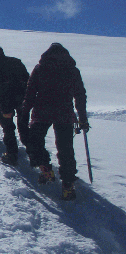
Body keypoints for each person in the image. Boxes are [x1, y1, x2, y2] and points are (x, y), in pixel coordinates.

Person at [20, 43, 88, 201]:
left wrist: (25, 109)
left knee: (35, 141)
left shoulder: (40, 68)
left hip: (42, 111)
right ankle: (68, 184)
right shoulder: (72, 70)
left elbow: (30, 91)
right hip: (64, 113)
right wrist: (83, 118)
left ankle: (45, 169)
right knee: (65, 148)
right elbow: (80, 95)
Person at [0, 46, 30, 165]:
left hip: (4, 101)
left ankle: (11, 154)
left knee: (8, 127)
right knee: (24, 126)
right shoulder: (16, 61)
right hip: (21, 98)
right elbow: (27, 79)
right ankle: (33, 153)